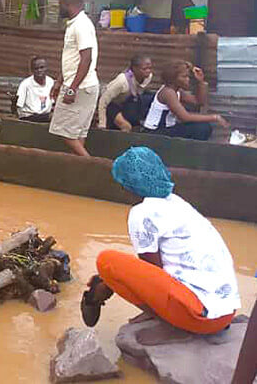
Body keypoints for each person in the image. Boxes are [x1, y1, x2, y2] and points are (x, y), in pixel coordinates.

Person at [81, 147, 240, 344]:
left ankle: (172, 324)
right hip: (225, 313)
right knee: (119, 269)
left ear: (128, 187)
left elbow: (152, 271)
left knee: (106, 261)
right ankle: (168, 315)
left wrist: (110, 279)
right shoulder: (175, 202)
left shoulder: (142, 213)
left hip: (201, 317)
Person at [49, 0, 99, 156]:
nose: (58, 8)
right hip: (84, 86)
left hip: (80, 87)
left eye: (59, 4)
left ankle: (91, 164)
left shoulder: (81, 25)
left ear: (67, 4)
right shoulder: (77, 24)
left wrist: (72, 88)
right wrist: (59, 81)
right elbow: (73, 59)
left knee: (61, 130)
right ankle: (80, 170)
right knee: (77, 134)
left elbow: (86, 58)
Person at [142, 60, 229, 141]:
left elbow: (199, 102)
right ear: (173, 78)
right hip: (155, 133)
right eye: (184, 77)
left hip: (167, 129)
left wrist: (201, 82)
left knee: (203, 127)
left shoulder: (178, 91)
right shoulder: (168, 92)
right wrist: (214, 117)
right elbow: (184, 117)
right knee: (201, 128)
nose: (187, 79)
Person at [97, 55, 155, 132]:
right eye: (144, 69)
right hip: (112, 106)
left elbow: (139, 91)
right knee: (126, 126)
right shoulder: (122, 81)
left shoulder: (148, 77)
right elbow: (103, 101)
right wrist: (102, 124)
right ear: (134, 68)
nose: (148, 71)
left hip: (127, 102)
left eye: (150, 68)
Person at [16, 56, 55, 123]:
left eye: (42, 67)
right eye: (36, 68)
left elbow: (53, 101)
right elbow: (19, 105)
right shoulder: (25, 84)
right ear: (32, 70)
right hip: (29, 115)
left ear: (46, 68)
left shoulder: (50, 82)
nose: (39, 70)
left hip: (45, 114)